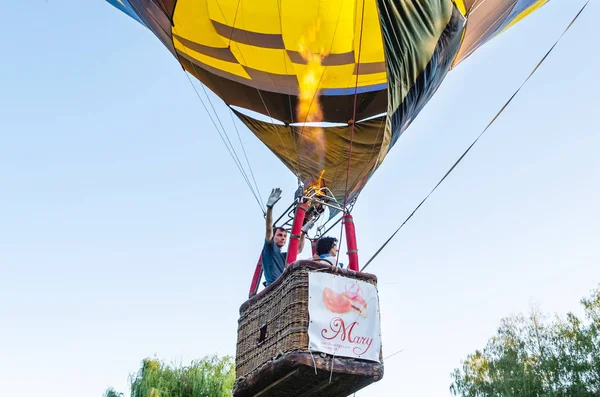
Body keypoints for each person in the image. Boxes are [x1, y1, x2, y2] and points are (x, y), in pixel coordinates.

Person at [263, 188, 314, 286]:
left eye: (285, 236)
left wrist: (303, 233)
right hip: (273, 287)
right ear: (273, 237)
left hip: (282, 287)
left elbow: (298, 250)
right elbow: (269, 228)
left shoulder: (282, 256)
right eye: (279, 235)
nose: (283, 238)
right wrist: (270, 208)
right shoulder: (270, 248)